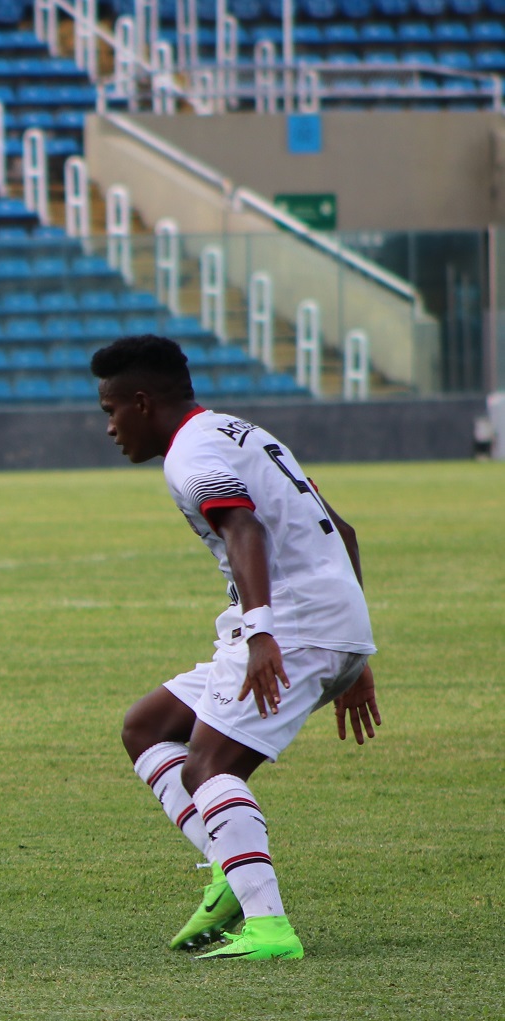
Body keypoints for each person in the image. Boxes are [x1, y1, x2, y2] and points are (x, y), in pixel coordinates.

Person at [97, 335, 380, 961]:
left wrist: (260, 632)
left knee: (208, 769)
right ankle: (232, 868)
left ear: (142, 403)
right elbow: (346, 530)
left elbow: (243, 524)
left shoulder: (190, 455)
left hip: (294, 628)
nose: (110, 428)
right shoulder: (240, 431)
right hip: (326, 624)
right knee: (147, 727)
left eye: (111, 411)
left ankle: (269, 927)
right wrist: (357, 656)